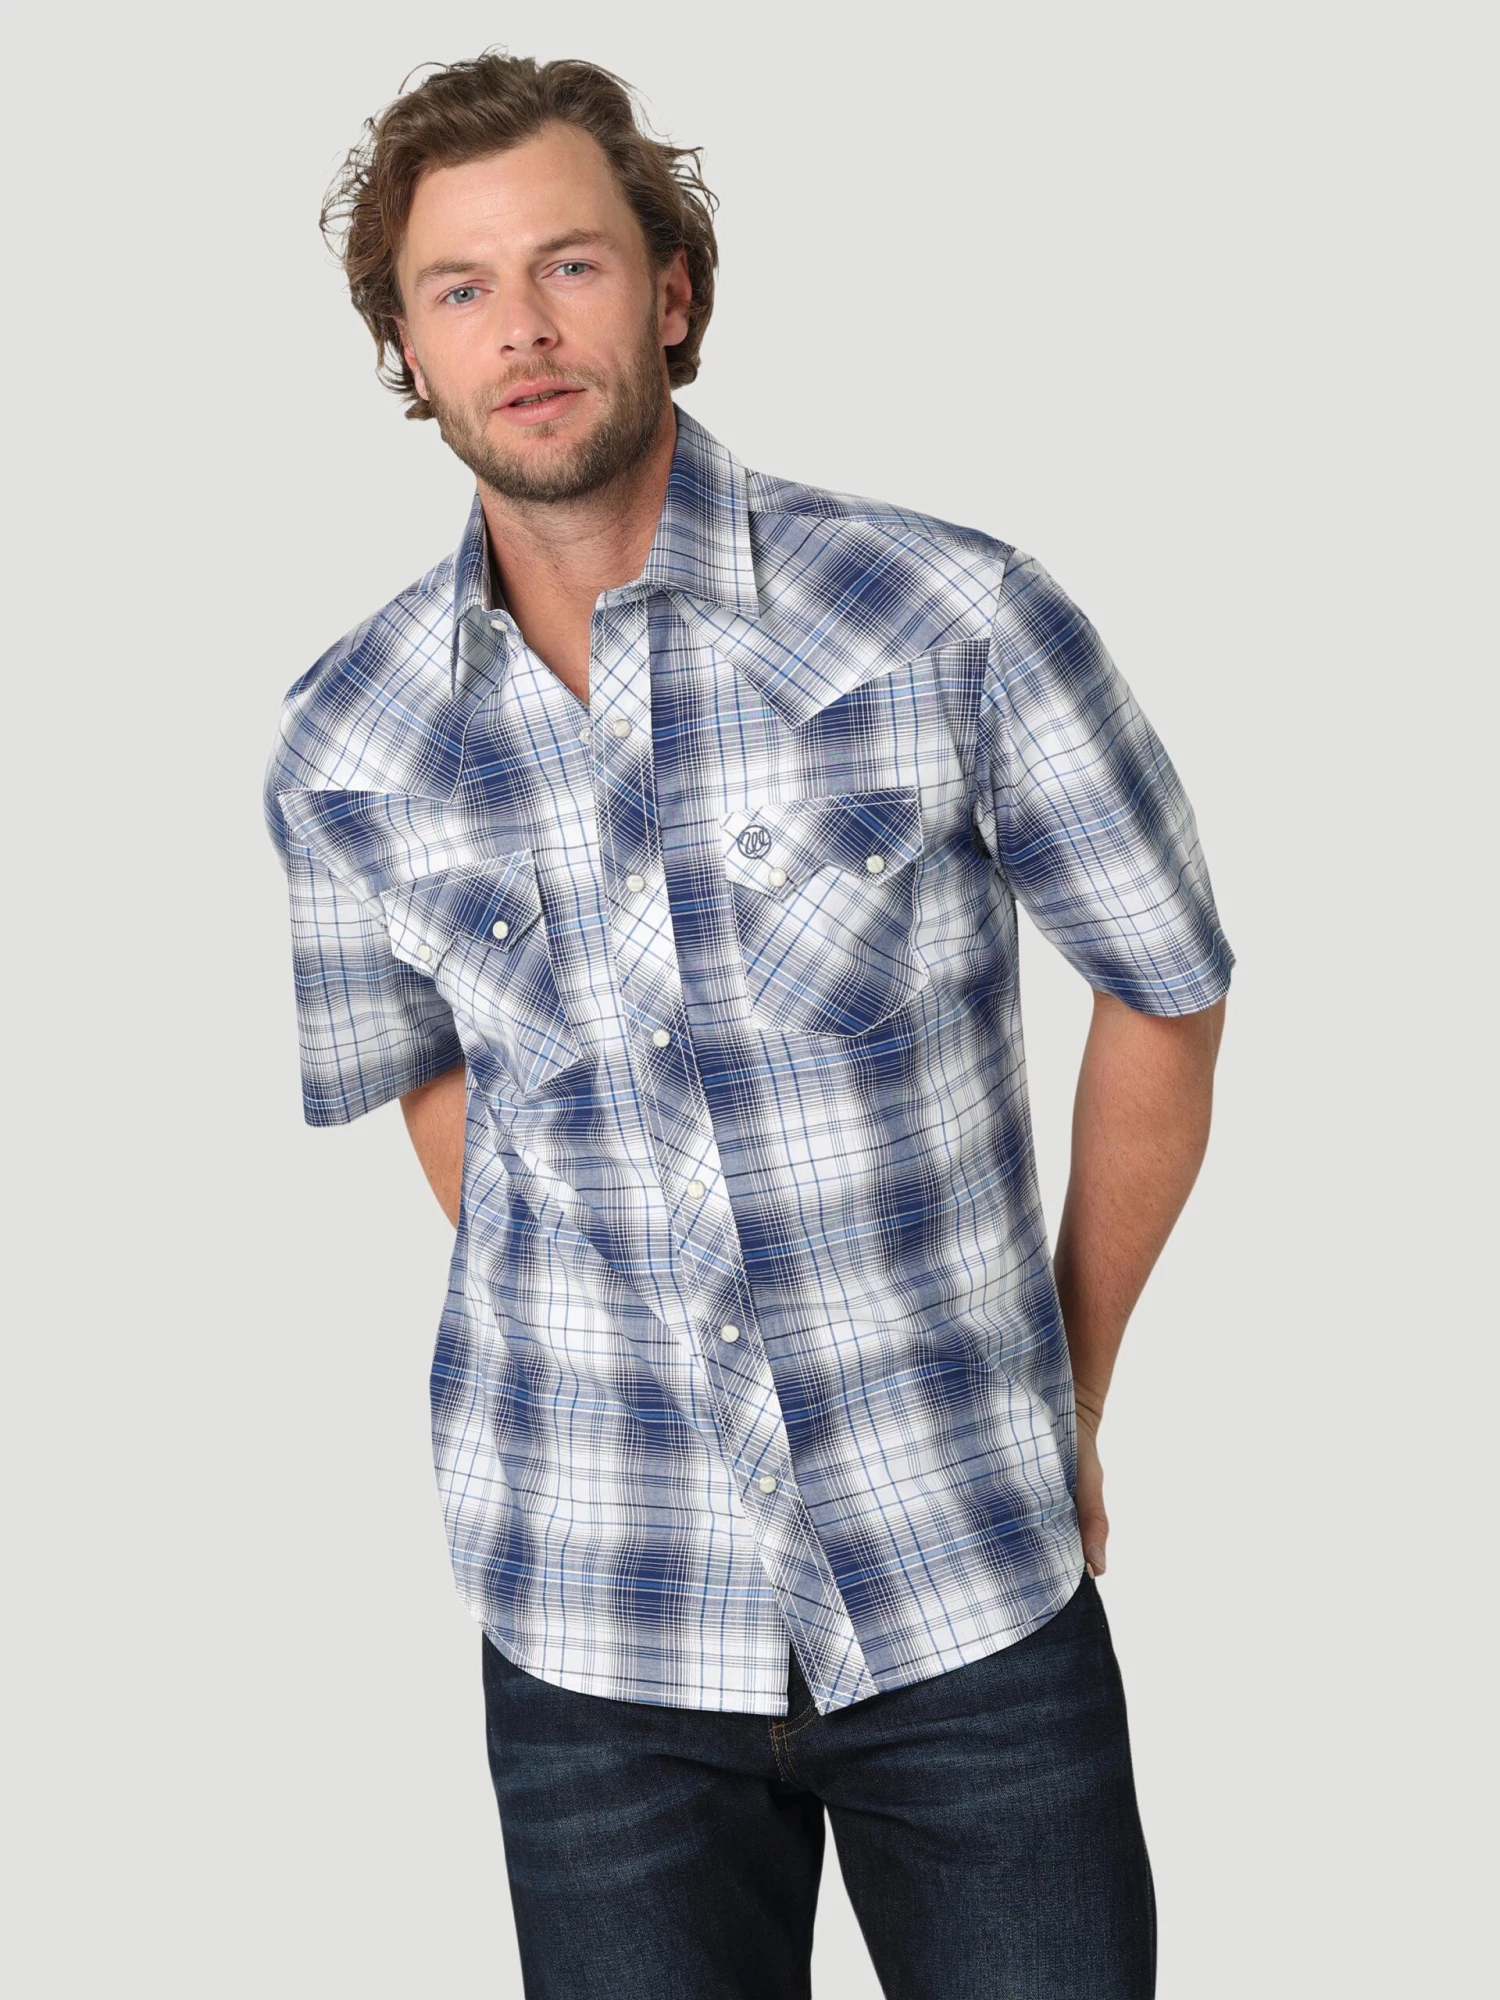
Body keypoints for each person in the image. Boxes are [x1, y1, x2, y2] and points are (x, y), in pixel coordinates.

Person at [263, 48, 1234, 2000]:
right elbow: (432, 1075)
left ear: (672, 290)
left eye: (572, 265)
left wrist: (1066, 1386)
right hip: (592, 1629)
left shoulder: (949, 618)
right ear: (406, 347)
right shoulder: (345, 736)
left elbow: (1165, 982)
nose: (523, 329)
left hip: (966, 1590)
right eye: (459, 287)